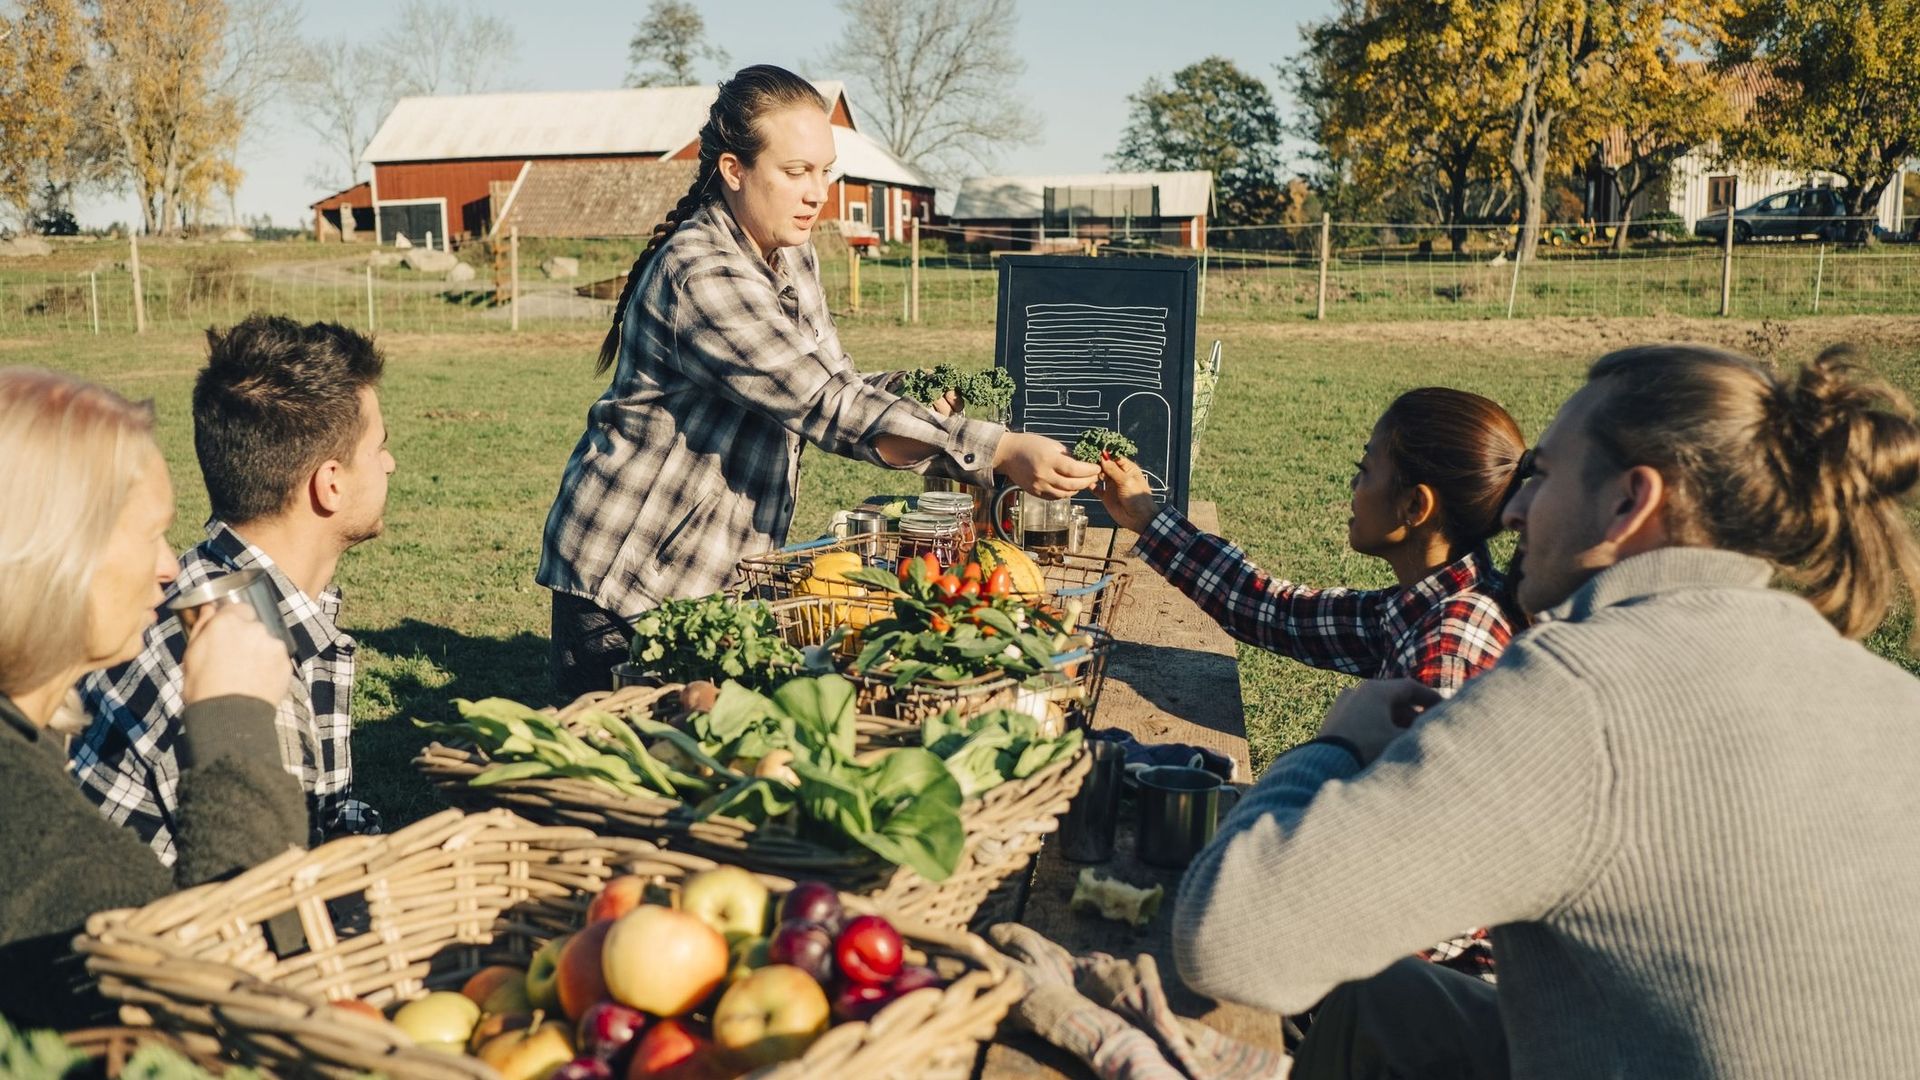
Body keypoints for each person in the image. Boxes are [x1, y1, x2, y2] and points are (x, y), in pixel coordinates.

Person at [1174, 344, 1920, 1079]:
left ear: (1630, 502)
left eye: (1543, 476)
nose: (1516, 509)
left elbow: (1226, 939)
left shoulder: (1575, 691)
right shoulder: (1892, 697)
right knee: (1384, 1004)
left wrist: (1331, 746)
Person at [538, 64, 1098, 700]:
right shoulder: (702, 276)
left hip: (714, 567)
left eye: (825, 170)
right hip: (634, 570)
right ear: (733, 171)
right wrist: (994, 449)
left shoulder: (790, 249)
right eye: (795, 171)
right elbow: (825, 405)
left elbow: (834, 381)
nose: (817, 192)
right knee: (619, 776)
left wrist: (911, 392)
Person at [0, 369, 306, 1029]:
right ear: (58, 555)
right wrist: (235, 724)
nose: (171, 566)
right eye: (150, 534)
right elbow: (233, 1004)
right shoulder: (41, 842)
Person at [70, 316, 394, 861]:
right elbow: (278, 908)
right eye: (380, 446)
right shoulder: (243, 673)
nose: (389, 462)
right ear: (331, 483)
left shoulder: (208, 592)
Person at [1099, 387, 1526, 690]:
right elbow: (1279, 614)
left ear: (1416, 507)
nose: (1354, 483)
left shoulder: (1448, 654)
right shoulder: (1426, 605)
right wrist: (1147, 516)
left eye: (1365, 467)